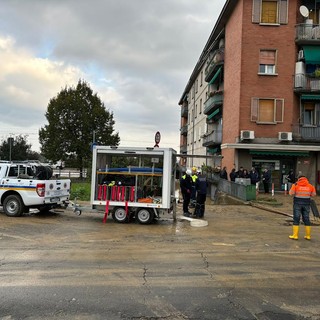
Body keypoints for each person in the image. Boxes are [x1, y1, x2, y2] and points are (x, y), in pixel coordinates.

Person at [289, 174, 316, 240]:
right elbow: (314, 194)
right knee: (306, 218)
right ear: (306, 179)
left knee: (296, 218)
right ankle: (308, 236)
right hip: (307, 204)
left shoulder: (295, 185)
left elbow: (291, 193)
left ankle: (295, 236)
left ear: (299, 179)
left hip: (297, 203)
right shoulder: (310, 186)